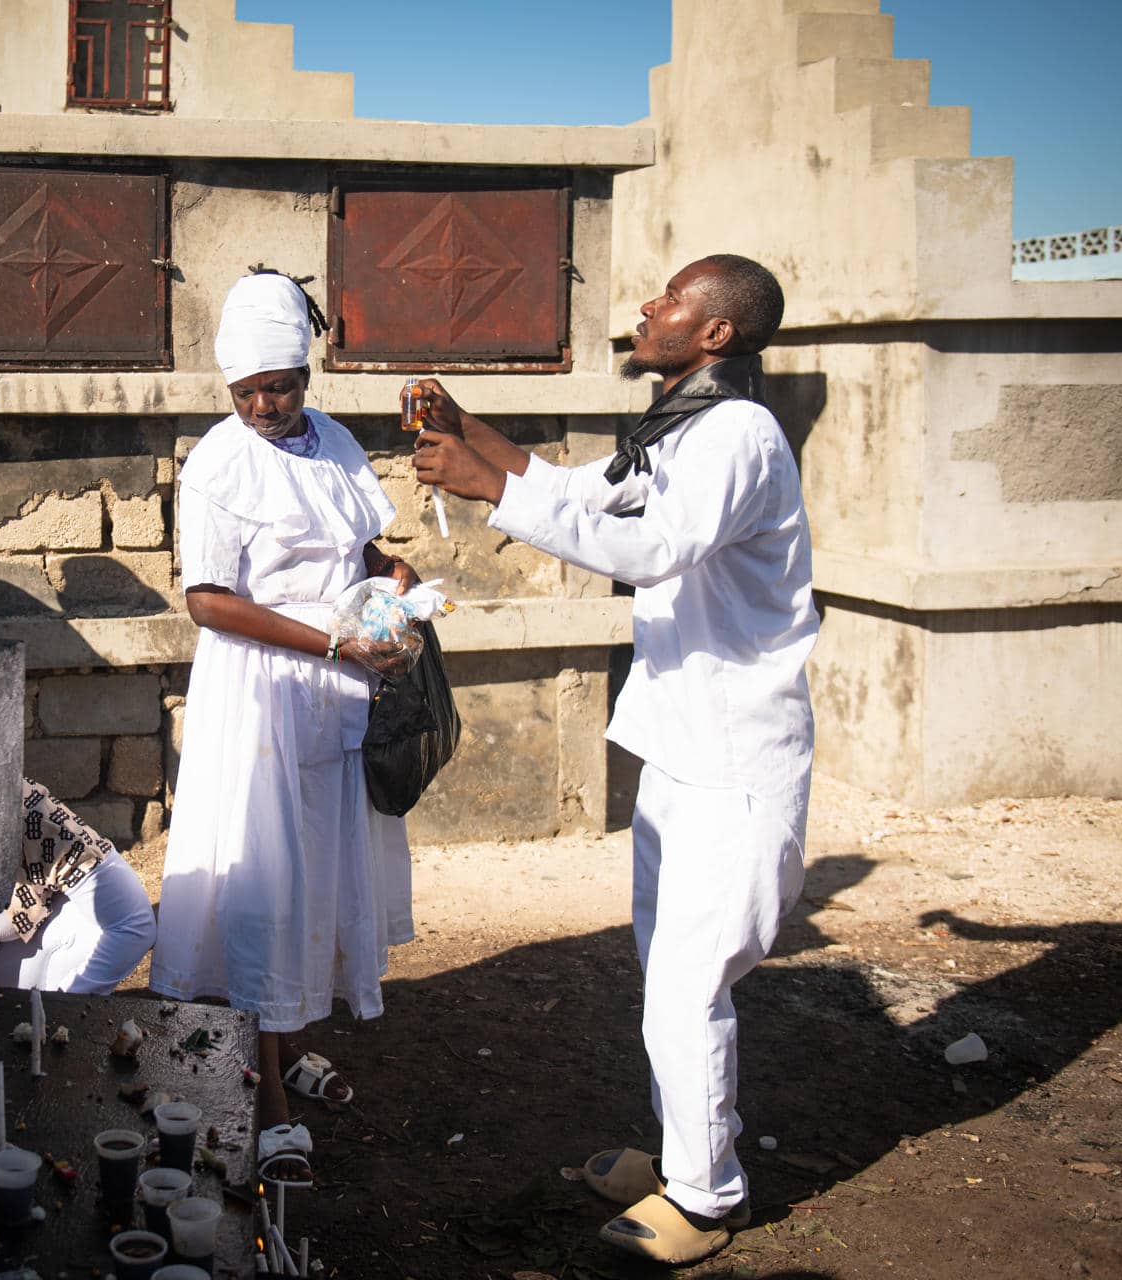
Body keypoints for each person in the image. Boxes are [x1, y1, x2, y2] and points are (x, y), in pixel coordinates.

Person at [411, 254, 817, 1265]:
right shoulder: (681, 425)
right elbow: (573, 490)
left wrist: (485, 492)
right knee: (662, 975)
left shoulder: (740, 435)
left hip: (737, 761)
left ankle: (708, 1195)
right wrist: (467, 433)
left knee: (688, 986)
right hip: (679, 749)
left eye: (670, 298)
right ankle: (683, 1155)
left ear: (716, 332)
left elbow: (647, 549)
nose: (647, 306)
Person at [149, 269, 420, 1184]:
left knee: (317, 874)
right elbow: (209, 602)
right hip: (265, 693)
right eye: (248, 389)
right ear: (226, 387)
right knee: (266, 882)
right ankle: (264, 1096)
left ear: (307, 379)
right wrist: (333, 642)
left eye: (282, 385)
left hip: (338, 696)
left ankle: (288, 1044)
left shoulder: (334, 442)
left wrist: (395, 583)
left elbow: (364, 545)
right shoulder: (219, 464)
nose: (266, 404)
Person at [0, 778, 158, 994]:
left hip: (14, 953)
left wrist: (63, 1006)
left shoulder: (23, 812)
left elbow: (132, 924)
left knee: (90, 927)